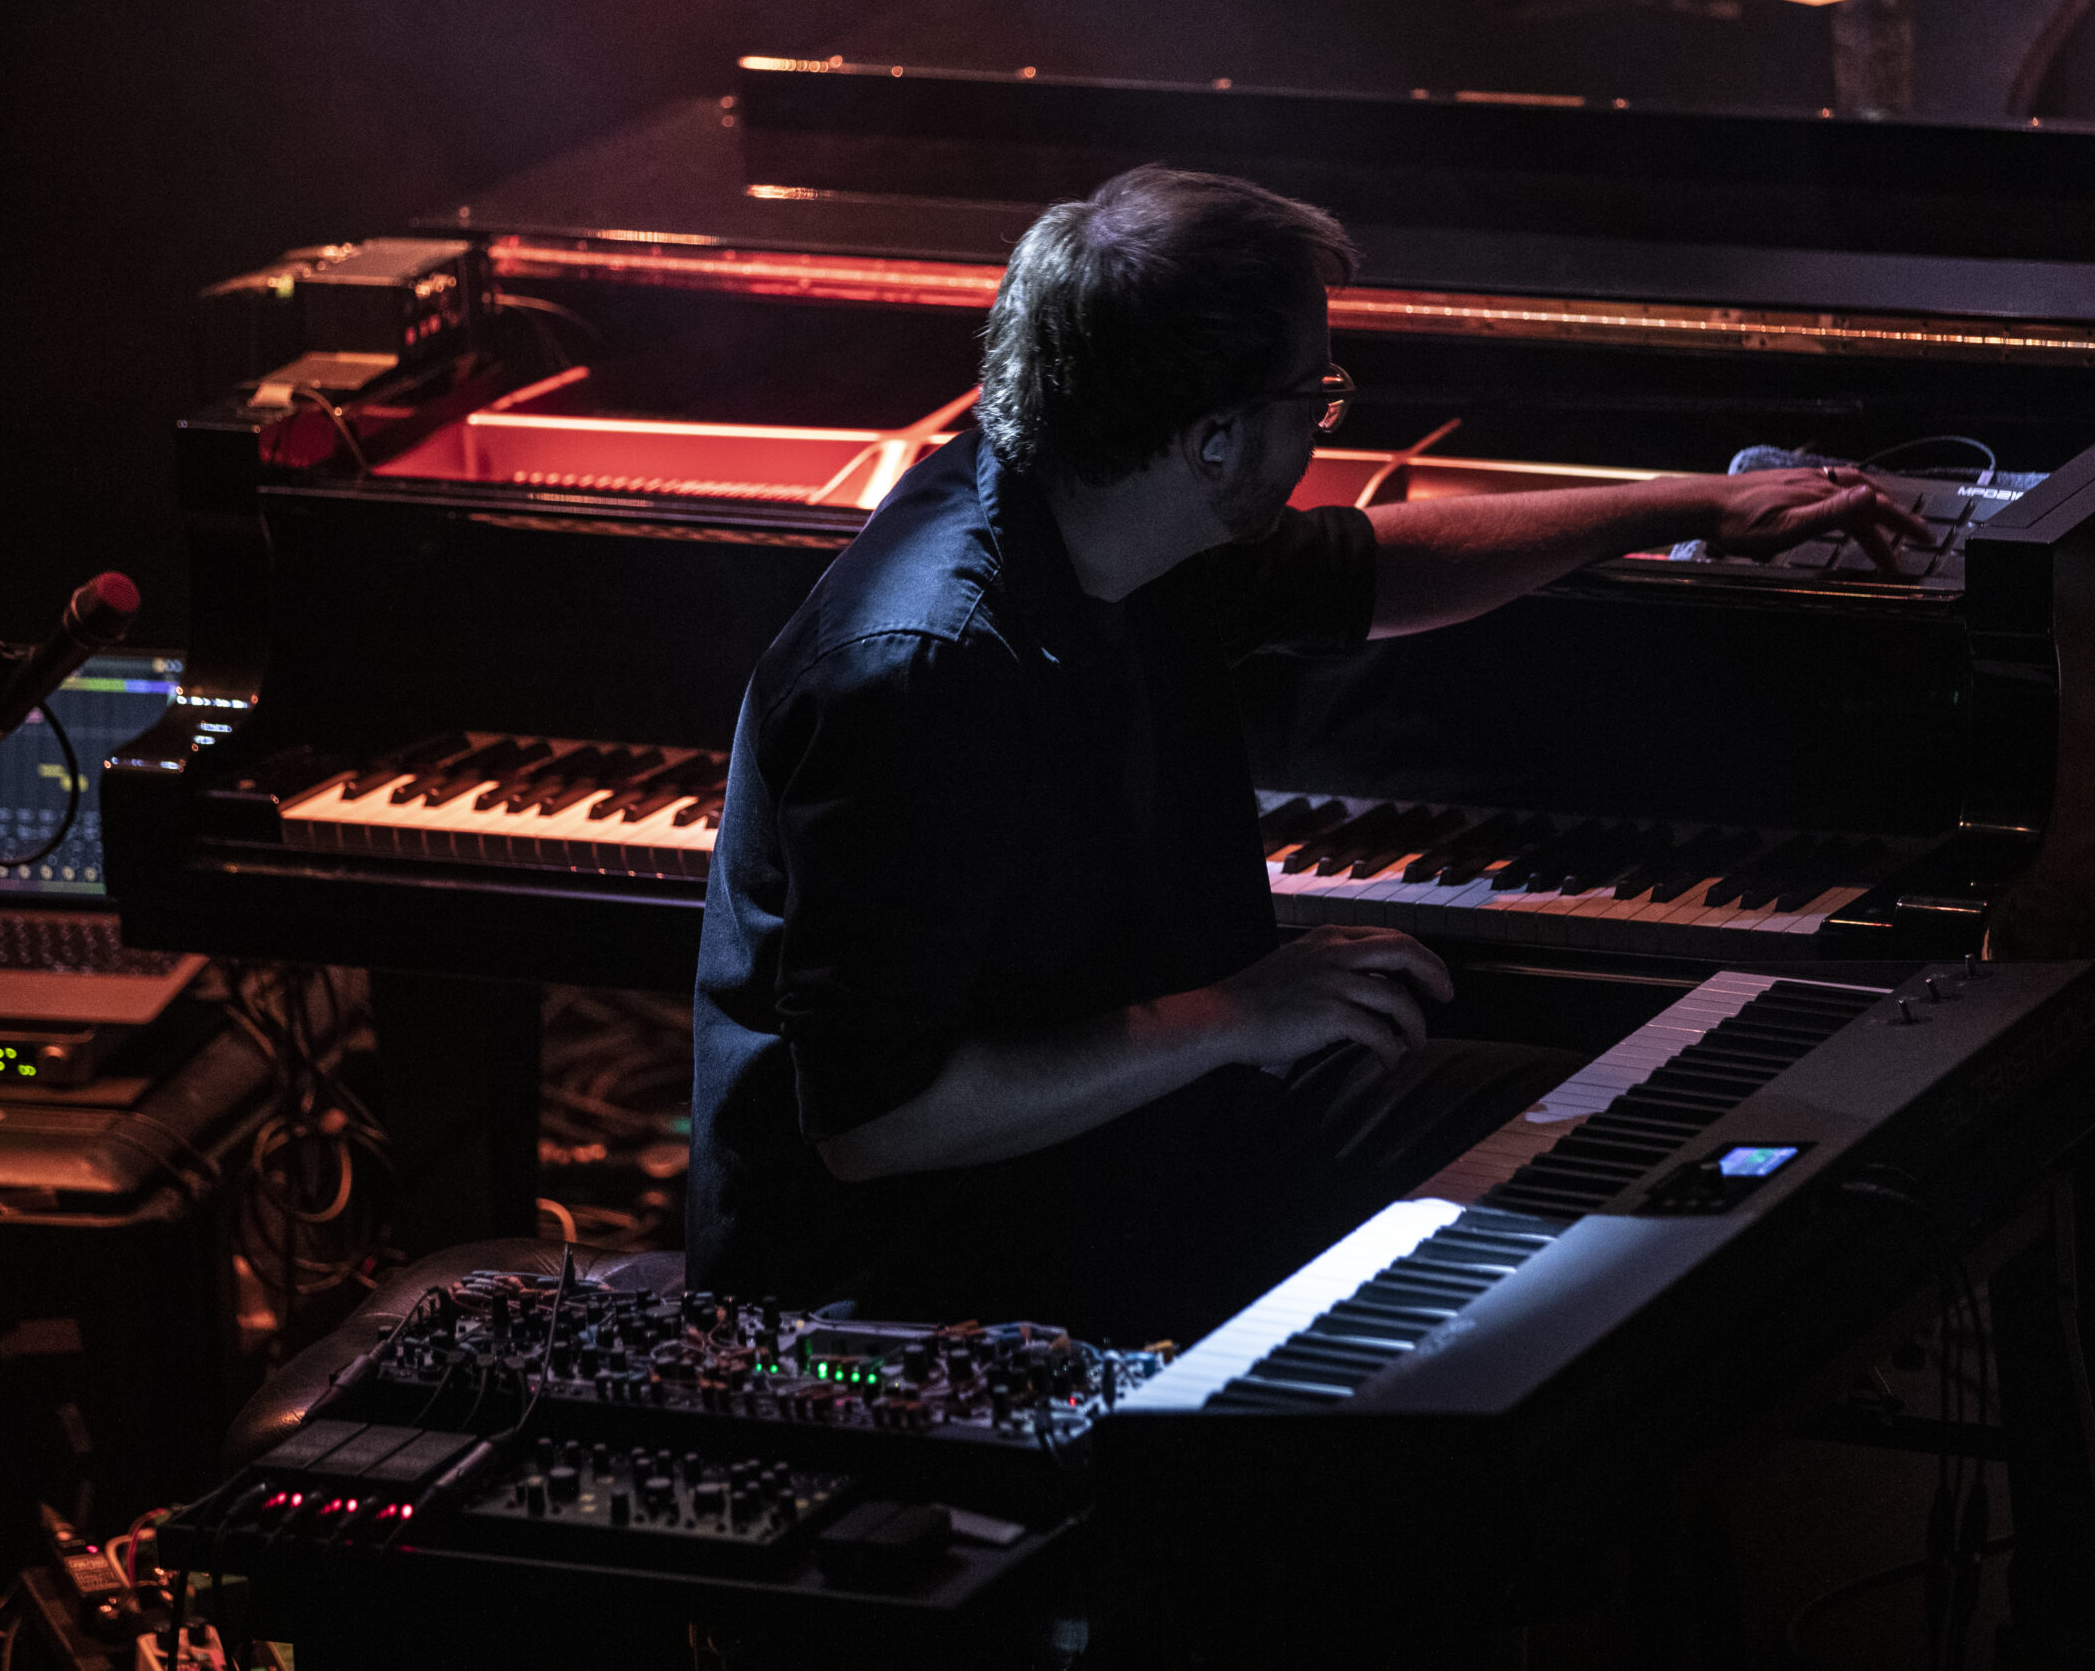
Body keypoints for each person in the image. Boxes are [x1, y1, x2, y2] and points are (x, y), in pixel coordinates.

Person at [690, 166, 1923, 1340]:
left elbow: (1367, 568)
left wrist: (1689, 505)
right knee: (1571, 1203)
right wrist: (1232, 1014)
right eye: (1314, 395)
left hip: (1150, 1117)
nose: (1326, 422)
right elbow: (877, 1121)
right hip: (954, 1238)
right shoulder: (924, 670)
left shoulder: (1109, 505)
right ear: (1214, 440)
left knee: (1636, 1130)